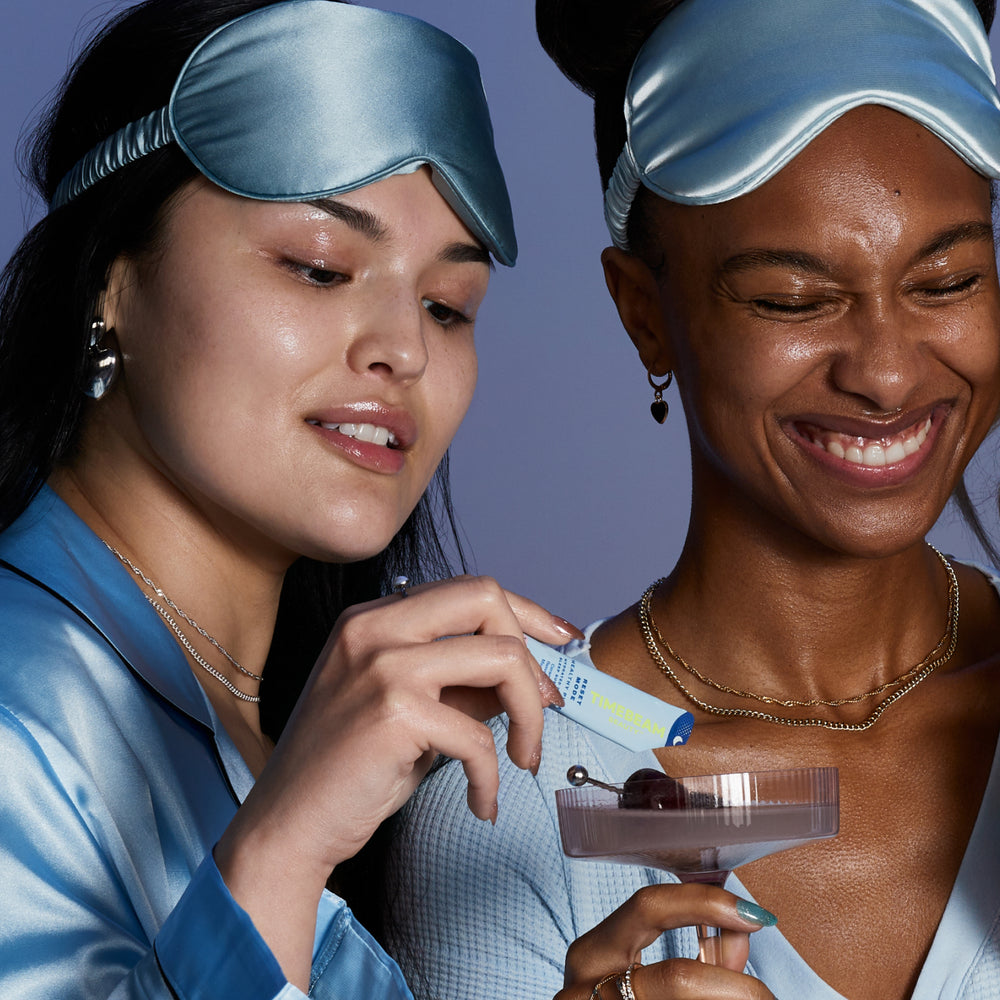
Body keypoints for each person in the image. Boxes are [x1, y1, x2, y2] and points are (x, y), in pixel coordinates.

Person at [383, 1, 1000, 998]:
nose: (887, 374)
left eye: (948, 280)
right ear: (645, 317)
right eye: (791, 300)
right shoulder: (533, 792)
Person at [0, 1, 585, 997]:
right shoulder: (25, 698)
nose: (403, 347)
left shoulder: (289, 728)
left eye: (449, 306)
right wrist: (278, 853)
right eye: (319, 267)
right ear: (110, 279)